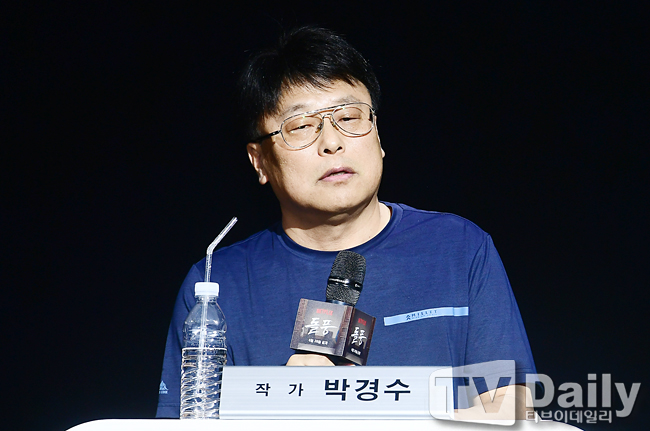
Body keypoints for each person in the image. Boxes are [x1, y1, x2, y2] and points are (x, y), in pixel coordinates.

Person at [156, 25, 536, 419]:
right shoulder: (218, 285)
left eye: (349, 117)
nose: (332, 142)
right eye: (302, 126)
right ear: (260, 161)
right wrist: (282, 405)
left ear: (378, 135)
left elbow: (511, 406)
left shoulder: (458, 247)